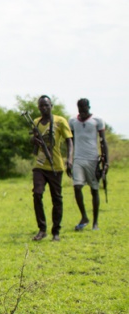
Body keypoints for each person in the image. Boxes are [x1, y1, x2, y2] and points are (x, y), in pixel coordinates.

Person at [29, 95, 73, 242]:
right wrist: (34, 140)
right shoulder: (35, 122)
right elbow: (34, 145)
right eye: (41, 106)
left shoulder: (60, 121)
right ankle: (42, 229)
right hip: (40, 166)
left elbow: (69, 141)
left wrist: (70, 160)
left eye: (46, 105)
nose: (44, 108)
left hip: (56, 165)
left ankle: (56, 231)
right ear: (38, 107)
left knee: (57, 199)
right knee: (37, 194)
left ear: (51, 106)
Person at [69, 98, 107, 231]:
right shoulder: (72, 121)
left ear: (89, 108)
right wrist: (69, 160)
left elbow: (103, 142)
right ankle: (84, 216)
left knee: (94, 189)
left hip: (93, 159)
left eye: (85, 110)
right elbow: (71, 142)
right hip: (78, 159)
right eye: (80, 110)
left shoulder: (97, 120)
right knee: (77, 187)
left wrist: (105, 162)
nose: (83, 113)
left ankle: (95, 222)